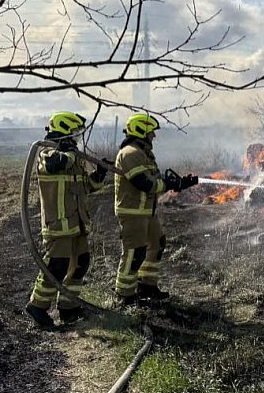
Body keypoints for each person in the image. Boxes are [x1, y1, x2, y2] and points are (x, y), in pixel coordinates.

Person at [26, 111, 107, 326]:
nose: (78, 137)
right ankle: (37, 306)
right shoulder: (47, 151)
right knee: (57, 266)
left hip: (77, 223)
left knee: (80, 264)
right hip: (59, 223)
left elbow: (85, 187)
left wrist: (99, 175)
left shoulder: (73, 158)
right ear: (64, 130)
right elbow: (55, 164)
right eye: (75, 132)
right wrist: (70, 152)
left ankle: (69, 308)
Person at [113, 113, 197, 306]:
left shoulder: (144, 155)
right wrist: (166, 184)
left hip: (146, 212)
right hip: (132, 212)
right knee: (134, 252)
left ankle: (147, 286)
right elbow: (145, 184)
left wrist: (180, 183)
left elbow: (157, 181)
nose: (154, 136)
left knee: (157, 243)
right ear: (141, 130)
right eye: (151, 131)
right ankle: (124, 295)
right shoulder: (130, 154)